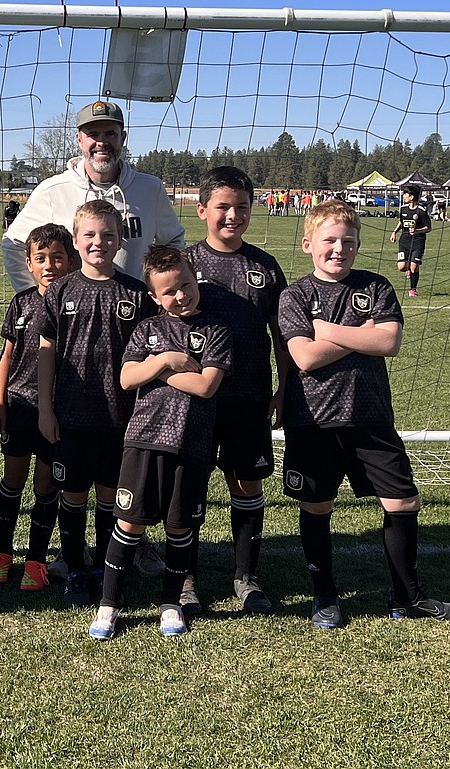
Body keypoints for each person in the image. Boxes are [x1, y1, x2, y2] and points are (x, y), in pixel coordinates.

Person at [278, 199, 450, 628]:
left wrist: (327, 329)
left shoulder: (377, 286)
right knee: (317, 506)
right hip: (314, 421)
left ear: (358, 246)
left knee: (403, 502)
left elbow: (389, 344)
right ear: (309, 243)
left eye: (348, 241)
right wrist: (362, 334)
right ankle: (324, 596)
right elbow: (304, 357)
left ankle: (408, 597)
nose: (338, 249)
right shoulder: (295, 295)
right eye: (329, 240)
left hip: (372, 418)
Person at [90, 247, 232, 640]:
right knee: (129, 522)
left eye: (186, 285)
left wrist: (155, 373)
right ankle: (109, 605)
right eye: (170, 292)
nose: (181, 295)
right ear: (155, 296)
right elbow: (126, 378)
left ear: (194, 278)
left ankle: (171, 603)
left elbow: (205, 386)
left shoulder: (216, 330)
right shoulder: (147, 330)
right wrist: (167, 359)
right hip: (144, 440)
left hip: (192, 443)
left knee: (179, 526)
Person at [183, 166, 289, 617]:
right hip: (194, 403)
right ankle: (185, 581)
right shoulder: (184, 264)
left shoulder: (264, 267)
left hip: (249, 399)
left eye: (241, 207)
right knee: (188, 491)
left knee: (246, 485)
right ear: (202, 209)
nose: (232, 216)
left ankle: (246, 579)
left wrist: (284, 389)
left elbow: (284, 335)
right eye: (223, 207)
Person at [37, 199, 152, 607]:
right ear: (75, 240)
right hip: (70, 415)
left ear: (121, 239)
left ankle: (105, 568)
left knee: (109, 496)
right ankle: (75, 569)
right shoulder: (60, 291)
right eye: (89, 234)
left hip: (120, 418)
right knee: (72, 495)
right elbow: (46, 348)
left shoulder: (137, 294)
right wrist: (45, 409)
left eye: (107, 234)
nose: (98, 241)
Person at [1, 99, 186, 291]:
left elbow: (174, 243)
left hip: (134, 313)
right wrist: (34, 297)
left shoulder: (150, 189)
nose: (102, 142)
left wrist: (163, 292)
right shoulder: (52, 191)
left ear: (122, 138)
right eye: (93, 134)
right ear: (79, 140)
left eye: (110, 134)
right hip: (71, 314)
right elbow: (12, 244)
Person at [0, 223, 77, 590]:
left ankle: (36, 560)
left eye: (57, 257)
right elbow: (7, 356)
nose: (49, 265)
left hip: (57, 410)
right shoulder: (21, 302)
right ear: (29, 262)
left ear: (70, 261)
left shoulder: (75, 302)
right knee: (12, 480)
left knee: (45, 485)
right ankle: (2, 555)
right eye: (41, 258)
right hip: (20, 406)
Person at [390, 183, 432, 297]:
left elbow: (428, 228)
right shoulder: (403, 209)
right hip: (404, 242)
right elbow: (401, 222)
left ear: (412, 197)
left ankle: (413, 290)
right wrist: (394, 232)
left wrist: (417, 230)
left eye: (405, 194)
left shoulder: (421, 211)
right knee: (401, 267)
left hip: (418, 242)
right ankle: (408, 270)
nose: (404, 196)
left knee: (414, 266)